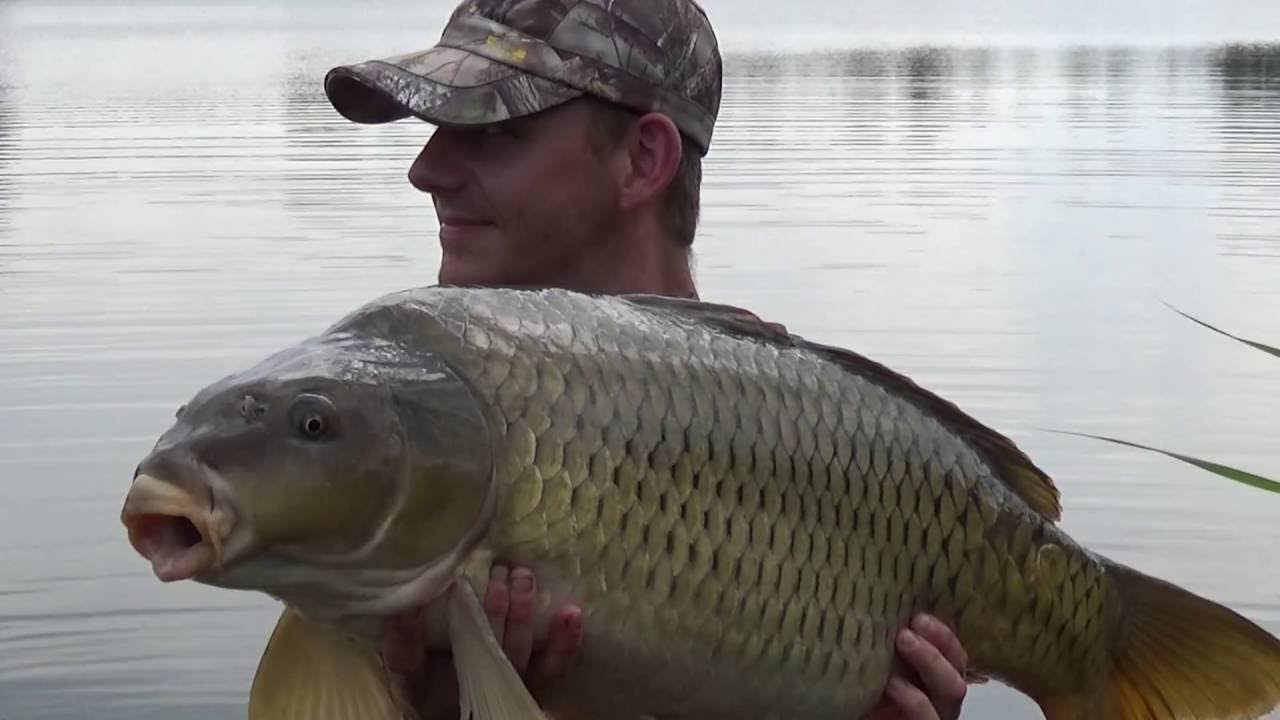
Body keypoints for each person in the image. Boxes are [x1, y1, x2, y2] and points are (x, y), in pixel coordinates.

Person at [322, 1, 971, 718]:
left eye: (495, 131)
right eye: (438, 129)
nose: (426, 169)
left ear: (644, 158)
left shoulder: (837, 451)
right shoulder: (401, 447)